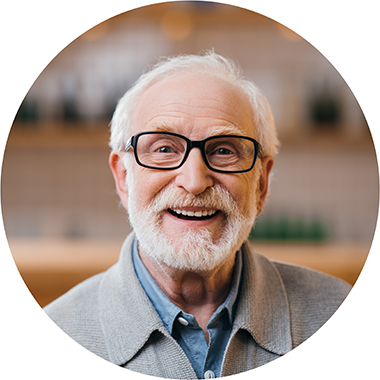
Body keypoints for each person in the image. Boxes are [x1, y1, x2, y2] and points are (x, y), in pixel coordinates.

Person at [45, 52, 351, 379]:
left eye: (223, 150)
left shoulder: (344, 319)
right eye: (164, 149)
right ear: (123, 178)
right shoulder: (51, 342)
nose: (193, 183)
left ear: (261, 183)